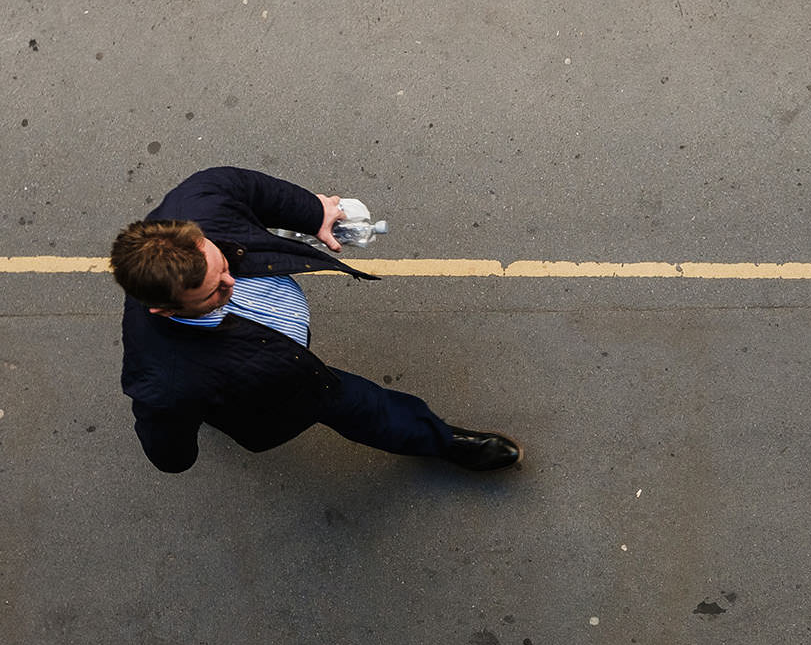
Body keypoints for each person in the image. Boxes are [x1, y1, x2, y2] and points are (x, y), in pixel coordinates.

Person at [110, 165, 522, 475]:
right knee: (361, 407)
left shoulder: (201, 198)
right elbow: (170, 454)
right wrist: (191, 411)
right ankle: (442, 441)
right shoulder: (165, 381)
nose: (231, 283)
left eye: (223, 265)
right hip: (282, 383)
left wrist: (311, 211)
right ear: (163, 310)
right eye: (214, 292)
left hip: (258, 356)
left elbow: (248, 188)